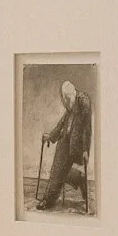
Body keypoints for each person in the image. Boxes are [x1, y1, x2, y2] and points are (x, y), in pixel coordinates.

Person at [39, 78, 92, 210]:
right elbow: (62, 124)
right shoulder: (71, 104)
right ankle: (49, 199)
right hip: (66, 142)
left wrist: (86, 149)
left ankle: (78, 181)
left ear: (68, 98)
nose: (64, 104)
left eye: (64, 100)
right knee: (57, 168)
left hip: (77, 145)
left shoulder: (83, 101)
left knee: (63, 170)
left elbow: (87, 127)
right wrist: (50, 137)